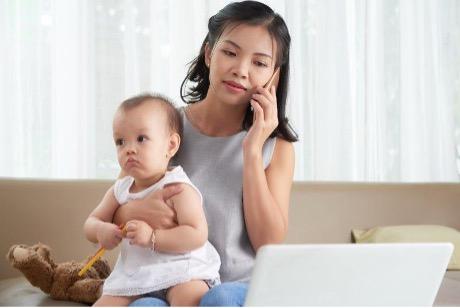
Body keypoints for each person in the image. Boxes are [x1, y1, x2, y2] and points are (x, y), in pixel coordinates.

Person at [114, 1, 297, 306]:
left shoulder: (275, 148)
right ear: (209, 53)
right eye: (230, 53)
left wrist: (251, 151)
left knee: (220, 299)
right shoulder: (163, 129)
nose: (241, 70)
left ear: (273, 76)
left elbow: (268, 244)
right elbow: (118, 204)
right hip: (165, 282)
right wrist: (136, 214)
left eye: (260, 63)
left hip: (236, 288)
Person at [83, 94, 221, 306]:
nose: (129, 148)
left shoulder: (177, 188)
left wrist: (152, 237)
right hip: (135, 276)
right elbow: (91, 223)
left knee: (189, 298)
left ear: (171, 145)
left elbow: (197, 234)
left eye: (141, 139)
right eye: (120, 141)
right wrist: (101, 230)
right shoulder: (121, 189)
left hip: (183, 271)